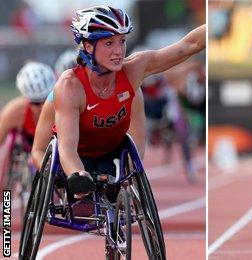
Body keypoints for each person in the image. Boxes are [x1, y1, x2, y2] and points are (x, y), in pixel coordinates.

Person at [50, 5, 205, 199]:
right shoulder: (70, 87)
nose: (118, 51)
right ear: (88, 45)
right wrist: (78, 174)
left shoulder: (133, 70)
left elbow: (188, 46)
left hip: (113, 154)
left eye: (122, 41)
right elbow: (67, 147)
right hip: (78, 160)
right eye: (109, 43)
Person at [0, 62, 55, 183]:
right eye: (35, 102)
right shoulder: (14, 112)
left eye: (46, 99)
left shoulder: (60, 107)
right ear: (26, 99)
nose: (41, 107)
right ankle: (6, 200)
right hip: (26, 142)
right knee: (3, 173)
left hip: (48, 145)